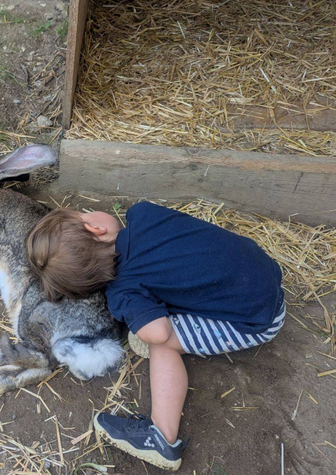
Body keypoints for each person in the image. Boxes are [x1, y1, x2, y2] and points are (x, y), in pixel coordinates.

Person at [26, 201, 285, 471]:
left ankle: (161, 437)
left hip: (256, 319)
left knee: (161, 345)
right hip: (263, 270)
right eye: (85, 212)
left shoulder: (124, 292)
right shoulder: (144, 214)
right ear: (96, 227)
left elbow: (159, 333)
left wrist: (143, 326)